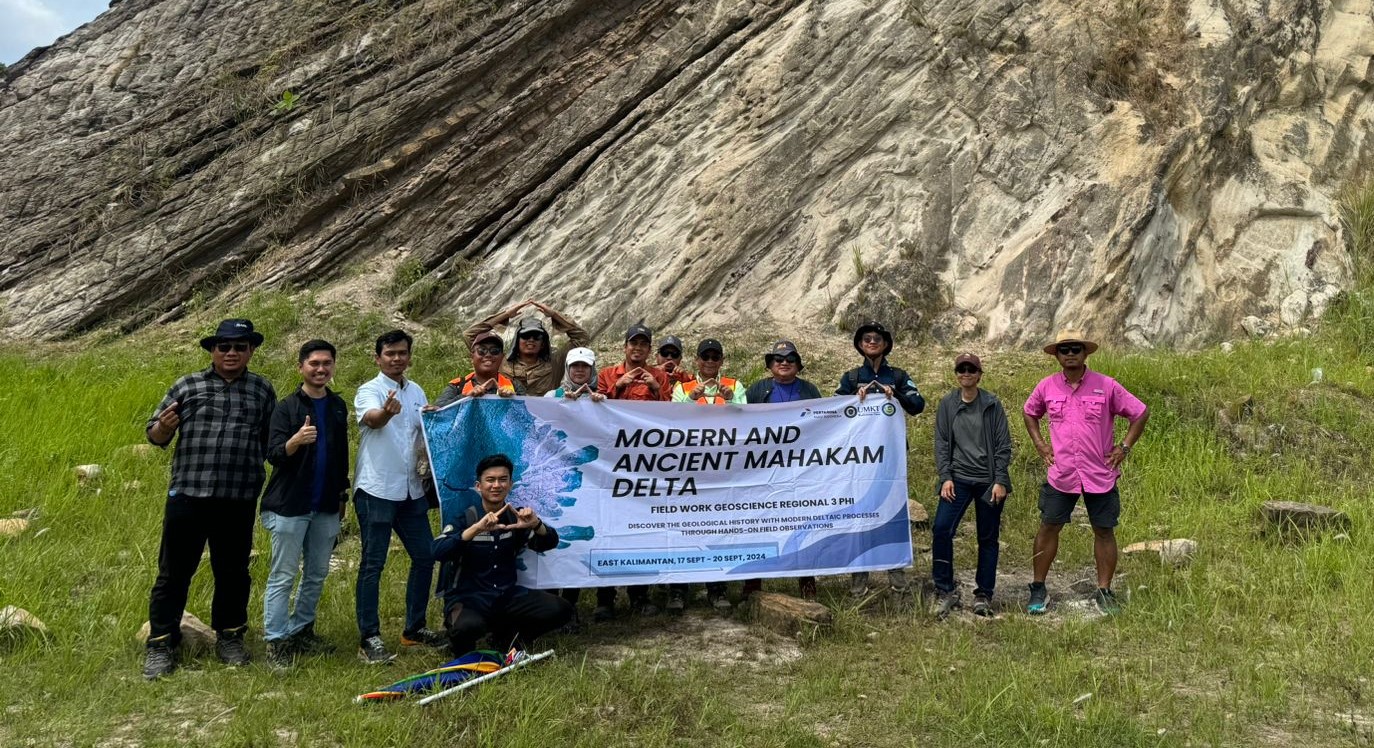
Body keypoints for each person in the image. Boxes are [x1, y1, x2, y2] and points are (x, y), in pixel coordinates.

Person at [142, 319, 276, 680]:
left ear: (250, 350)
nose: (231, 353)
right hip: (188, 493)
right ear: (212, 351)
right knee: (173, 573)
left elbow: (270, 442)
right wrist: (164, 428)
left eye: (239, 346)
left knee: (233, 572)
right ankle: (161, 644)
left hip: (238, 496)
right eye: (224, 346)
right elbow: (155, 435)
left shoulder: (262, 390)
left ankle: (230, 638)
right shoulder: (188, 385)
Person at [1023, 330, 1148, 615]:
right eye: (1064, 349)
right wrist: (1041, 444)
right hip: (1062, 472)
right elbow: (1030, 412)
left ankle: (1103, 590)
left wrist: (1124, 448)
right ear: (1057, 354)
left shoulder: (1107, 385)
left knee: (1104, 530)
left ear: (1085, 353)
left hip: (1100, 472)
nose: (1070, 354)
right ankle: (1038, 587)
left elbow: (1140, 412)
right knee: (1049, 526)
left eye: (1075, 349)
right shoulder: (1046, 387)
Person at [353, 329, 443, 664]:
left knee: (425, 556)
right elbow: (373, 421)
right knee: (373, 564)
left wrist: (431, 416)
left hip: (411, 489)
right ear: (378, 358)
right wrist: (387, 412)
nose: (396, 359)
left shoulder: (416, 389)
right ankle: (370, 637)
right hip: (377, 488)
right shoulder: (370, 390)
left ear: (409, 356)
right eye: (390, 353)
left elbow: (420, 431)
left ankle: (414, 630)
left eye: (402, 353)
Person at [259, 339, 350, 668]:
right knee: (283, 574)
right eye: (314, 363)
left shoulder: (338, 406)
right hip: (289, 505)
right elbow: (273, 455)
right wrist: (294, 442)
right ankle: (276, 639)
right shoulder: (286, 408)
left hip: (326, 503)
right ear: (301, 367)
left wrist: (343, 495)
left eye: (327, 363)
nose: (321, 369)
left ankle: (301, 630)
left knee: (316, 573)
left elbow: (341, 457)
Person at [433, 454, 573, 655]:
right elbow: (438, 551)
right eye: (490, 480)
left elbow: (548, 543)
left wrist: (536, 524)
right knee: (467, 628)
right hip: (469, 599)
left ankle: (509, 640)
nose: (496, 485)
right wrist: (475, 529)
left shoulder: (515, 518)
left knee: (561, 609)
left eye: (502, 480)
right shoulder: (466, 517)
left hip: (506, 596)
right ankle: (459, 646)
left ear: (510, 484)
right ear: (478, 486)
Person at [835, 321, 925, 597]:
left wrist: (895, 395)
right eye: (866, 338)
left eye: (877, 338)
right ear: (860, 344)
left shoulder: (897, 376)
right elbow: (834, 412)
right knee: (859, 514)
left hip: (891, 459)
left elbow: (918, 405)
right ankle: (858, 580)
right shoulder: (851, 378)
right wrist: (853, 399)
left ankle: (896, 578)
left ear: (886, 344)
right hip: (860, 459)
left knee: (891, 512)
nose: (872, 342)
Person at [594, 323, 671, 618]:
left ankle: (639, 594)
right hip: (611, 460)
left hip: (647, 462)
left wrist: (654, 388)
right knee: (608, 524)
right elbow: (595, 411)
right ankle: (605, 597)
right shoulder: (606, 375)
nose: (637, 348)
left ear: (649, 349)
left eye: (643, 344)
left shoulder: (660, 376)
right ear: (624, 347)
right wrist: (619, 386)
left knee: (641, 525)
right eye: (632, 343)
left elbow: (676, 416)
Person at [666, 338, 746, 613]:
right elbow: (670, 421)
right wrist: (689, 399)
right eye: (705, 357)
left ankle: (717, 587)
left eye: (715, 357)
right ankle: (678, 589)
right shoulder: (682, 387)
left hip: (723, 467)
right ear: (697, 361)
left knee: (718, 527)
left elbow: (750, 420)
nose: (710, 362)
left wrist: (731, 400)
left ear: (722, 360)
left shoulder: (735, 386)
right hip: (688, 466)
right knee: (682, 527)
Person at [930, 353, 1012, 619]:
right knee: (942, 528)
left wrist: (1000, 479)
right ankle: (945, 589)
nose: (966, 373)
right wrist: (946, 477)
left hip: (988, 481)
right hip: (959, 479)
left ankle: (984, 594)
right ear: (956, 374)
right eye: (961, 369)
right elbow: (942, 443)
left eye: (971, 369)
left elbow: (1003, 445)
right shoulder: (948, 404)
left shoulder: (991, 404)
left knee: (987, 538)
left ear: (979, 374)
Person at [744, 340, 823, 599]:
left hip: (799, 470)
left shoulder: (809, 389)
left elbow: (824, 425)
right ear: (770, 365)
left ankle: (807, 584)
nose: (784, 362)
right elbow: (741, 423)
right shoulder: (758, 389)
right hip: (763, 469)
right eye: (778, 359)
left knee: (801, 523)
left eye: (790, 358)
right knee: (758, 523)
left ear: (798, 365)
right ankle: (752, 584)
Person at [543, 346, 605, 627]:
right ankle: (548, 605)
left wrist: (601, 406)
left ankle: (569, 607)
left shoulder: (601, 399)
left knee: (575, 544)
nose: (580, 371)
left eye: (585, 367)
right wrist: (560, 407)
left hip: (587, 481)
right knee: (552, 544)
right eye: (575, 366)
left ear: (593, 371)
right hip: (555, 481)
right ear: (567, 369)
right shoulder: (551, 397)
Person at [462, 299, 590, 396]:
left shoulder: (555, 362)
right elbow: (469, 335)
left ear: (544, 342)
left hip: (543, 420)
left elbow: (582, 338)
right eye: (525, 335)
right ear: (517, 340)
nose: (531, 340)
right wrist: (505, 315)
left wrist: (555, 315)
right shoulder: (501, 361)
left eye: (537, 336)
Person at [433, 331, 525, 408]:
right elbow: (438, 411)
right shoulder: (457, 386)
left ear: (502, 357)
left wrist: (514, 399)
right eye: (482, 351)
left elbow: (528, 417)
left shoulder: (515, 386)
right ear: (472, 356)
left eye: (494, 351)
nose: (488, 355)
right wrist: (466, 397)